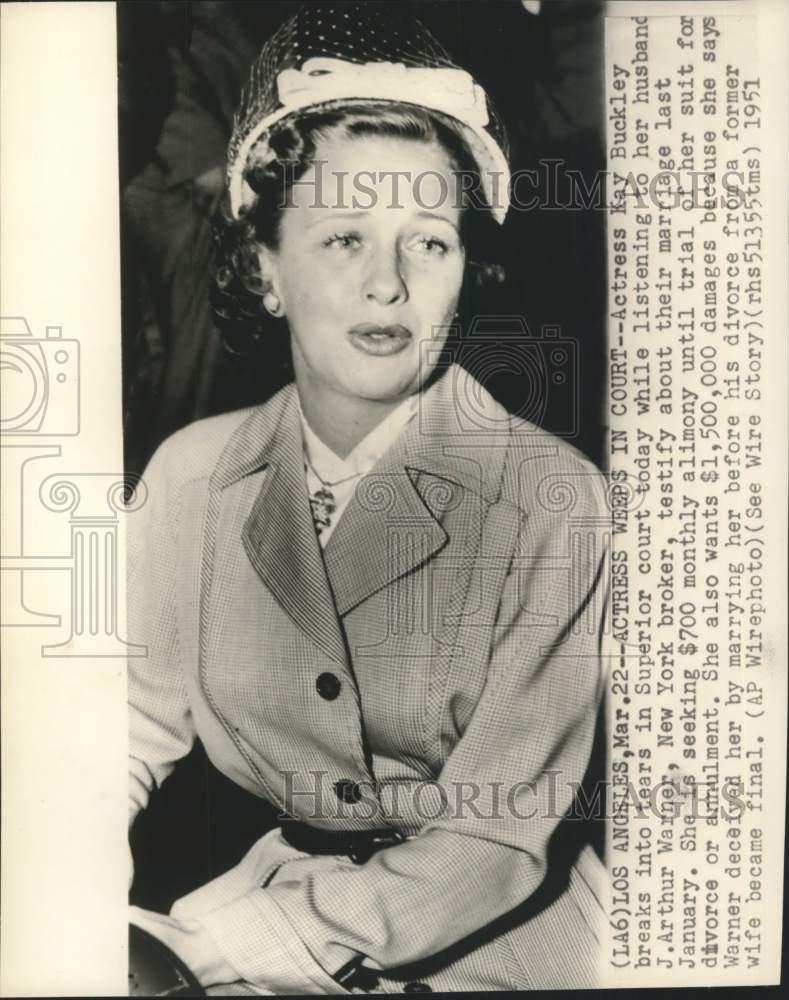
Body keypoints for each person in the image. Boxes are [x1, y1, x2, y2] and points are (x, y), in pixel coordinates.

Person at [127, 4, 610, 994]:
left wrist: (204, 950)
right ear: (264, 267)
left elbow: (487, 840)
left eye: (428, 241)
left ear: (470, 270)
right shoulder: (191, 472)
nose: (387, 284)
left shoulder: (556, 502)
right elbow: (115, 728)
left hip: (515, 939)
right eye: (343, 237)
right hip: (275, 896)